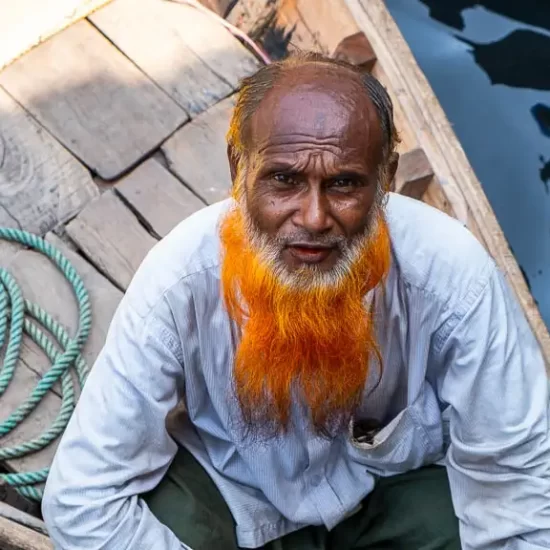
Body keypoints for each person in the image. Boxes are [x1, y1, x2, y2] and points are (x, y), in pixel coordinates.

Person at [41, 52, 550, 550]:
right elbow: (83, 498)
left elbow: (518, 483)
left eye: (344, 184)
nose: (313, 217)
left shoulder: (453, 277)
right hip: (233, 496)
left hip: (387, 497)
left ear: (387, 179)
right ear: (239, 168)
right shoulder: (179, 280)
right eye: (284, 179)